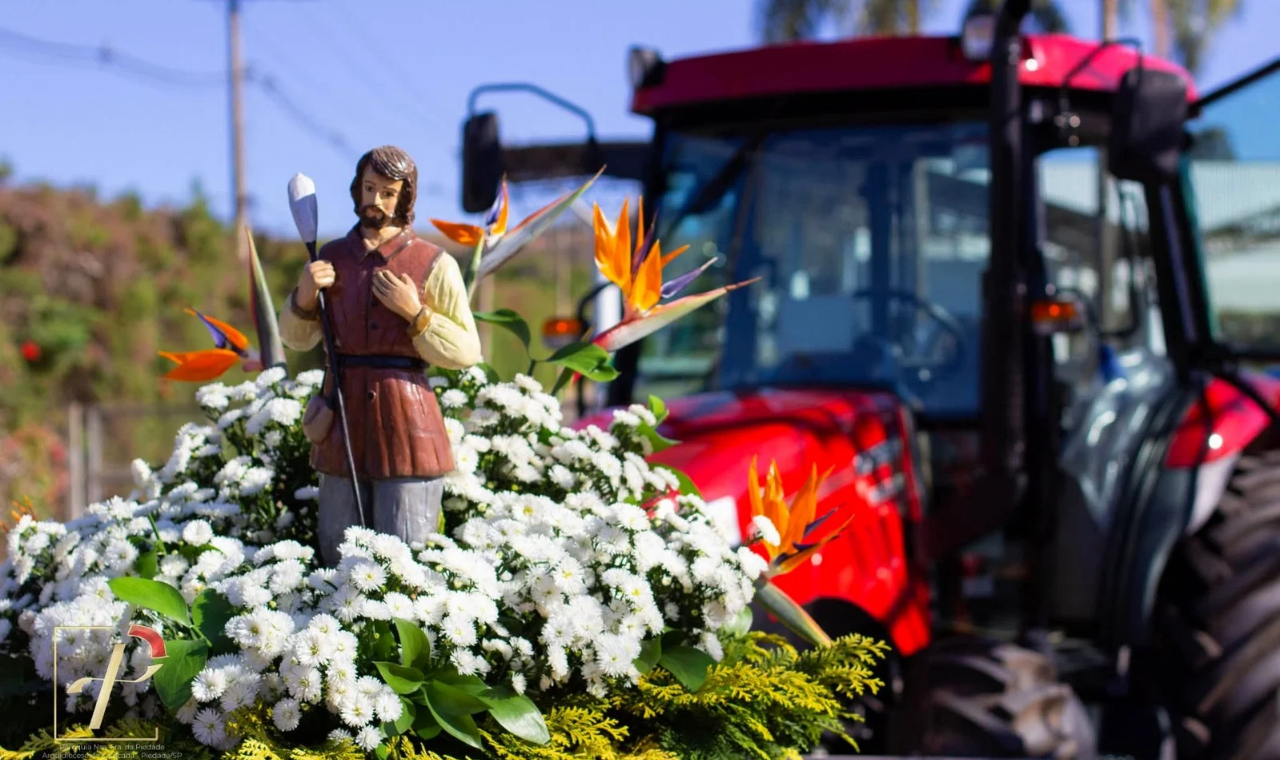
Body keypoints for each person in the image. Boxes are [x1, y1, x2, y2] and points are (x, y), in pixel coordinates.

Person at [278, 145, 481, 565]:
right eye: (369, 188)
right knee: (338, 547)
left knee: (406, 545)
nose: (375, 201)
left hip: (408, 423)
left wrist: (417, 314)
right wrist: (304, 294)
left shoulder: (433, 264)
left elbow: (466, 351)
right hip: (341, 418)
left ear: (404, 198)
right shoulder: (328, 258)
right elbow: (295, 340)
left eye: (388, 193)